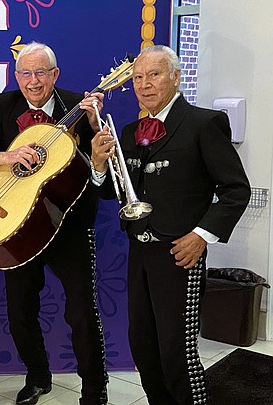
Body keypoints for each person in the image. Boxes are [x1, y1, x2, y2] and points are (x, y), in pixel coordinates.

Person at [90, 45, 250, 405]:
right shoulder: (129, 132)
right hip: (140, 253)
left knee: (178, 352)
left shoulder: (203, 124)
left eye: (154, 75)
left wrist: (201, 236)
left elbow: (236, 190)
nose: (144, 84)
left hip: (181, 253)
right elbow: (112, 194)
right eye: (137, 78)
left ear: (175, 77)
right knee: (143, 345)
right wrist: (99, 164)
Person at [0, 42, 108, 405]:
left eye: (41, 72)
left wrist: (95, 139)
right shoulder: (5, 105)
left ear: (55, 75)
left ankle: (94, 388)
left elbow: (103, 175)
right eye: (25, 73)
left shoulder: (83, 106)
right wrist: (5, 156)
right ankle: (38, 376)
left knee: (81, 312)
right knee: (19, 310)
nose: (33, 81)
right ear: (16, 76)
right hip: (19, 227)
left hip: (68, 224)